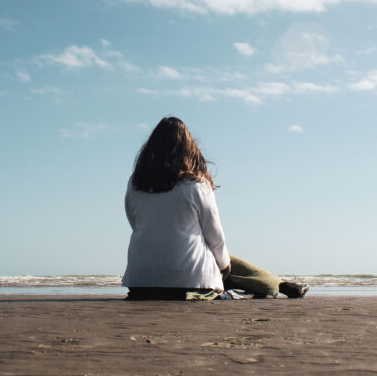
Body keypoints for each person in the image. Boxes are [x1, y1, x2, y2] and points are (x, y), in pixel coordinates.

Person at [122, 116, 309, 301]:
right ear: (188, 148)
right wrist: (224, 265)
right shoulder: (196, 184)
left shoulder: (135, 183)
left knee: (217, 260)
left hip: (140, 283)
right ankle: (279, 284)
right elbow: (215, 237)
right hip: (189, 283)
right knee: (229, 263)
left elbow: (135, 223)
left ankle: (279, 284)